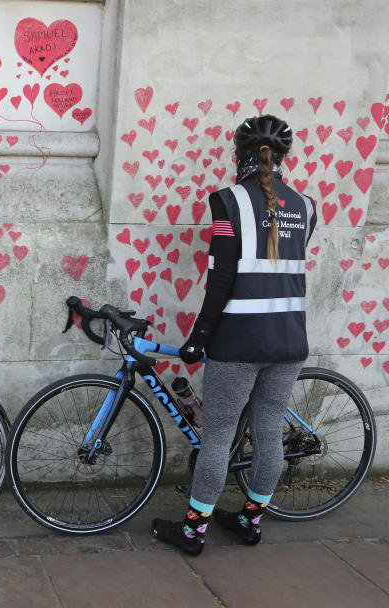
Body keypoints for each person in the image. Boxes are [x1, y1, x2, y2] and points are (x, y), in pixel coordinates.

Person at [151, 114, 317, 555]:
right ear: (282, 158)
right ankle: (251, 519)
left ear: (239, 155)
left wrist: (198, 337)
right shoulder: (307, 206)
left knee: (218, 439)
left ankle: (193, 530)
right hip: (289, 342)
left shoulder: (228, 202)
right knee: (267, 434)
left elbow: (221, 279)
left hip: (239, 343)